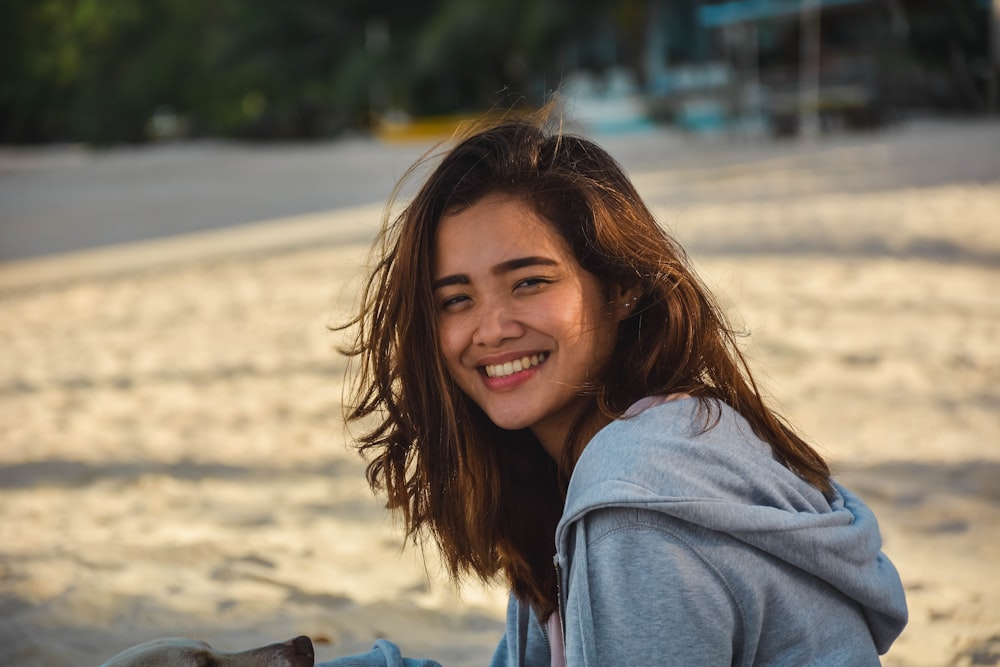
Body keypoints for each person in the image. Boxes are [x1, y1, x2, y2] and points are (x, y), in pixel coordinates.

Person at [321, 106, 907, 666]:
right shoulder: (672, 434)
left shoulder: (630, 510)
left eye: (528, 282)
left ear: (621, 286)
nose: (492, 328)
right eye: (456, 299)